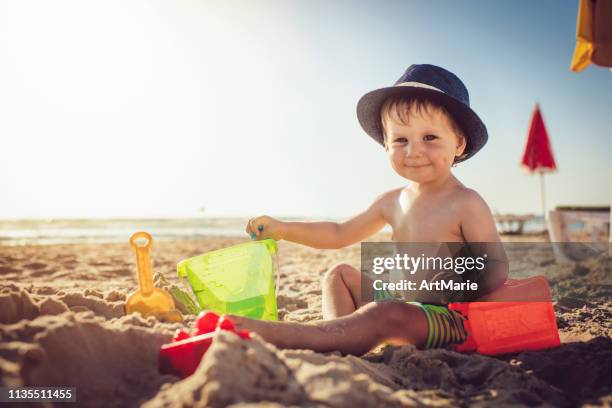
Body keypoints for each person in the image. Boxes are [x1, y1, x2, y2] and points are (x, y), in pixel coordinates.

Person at [234, 64, 508, 356]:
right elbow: (339, 233)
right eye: (400, 140)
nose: (413, 151)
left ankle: (324, 335)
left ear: (459, 143)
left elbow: (496, 266)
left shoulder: (466, 202)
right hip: (402, 303)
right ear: (386, 145)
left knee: (386, 313)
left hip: (449, 317)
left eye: (430, 138)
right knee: (338, 275)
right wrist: (285, 229)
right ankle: (339, 334)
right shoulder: (391, 201)